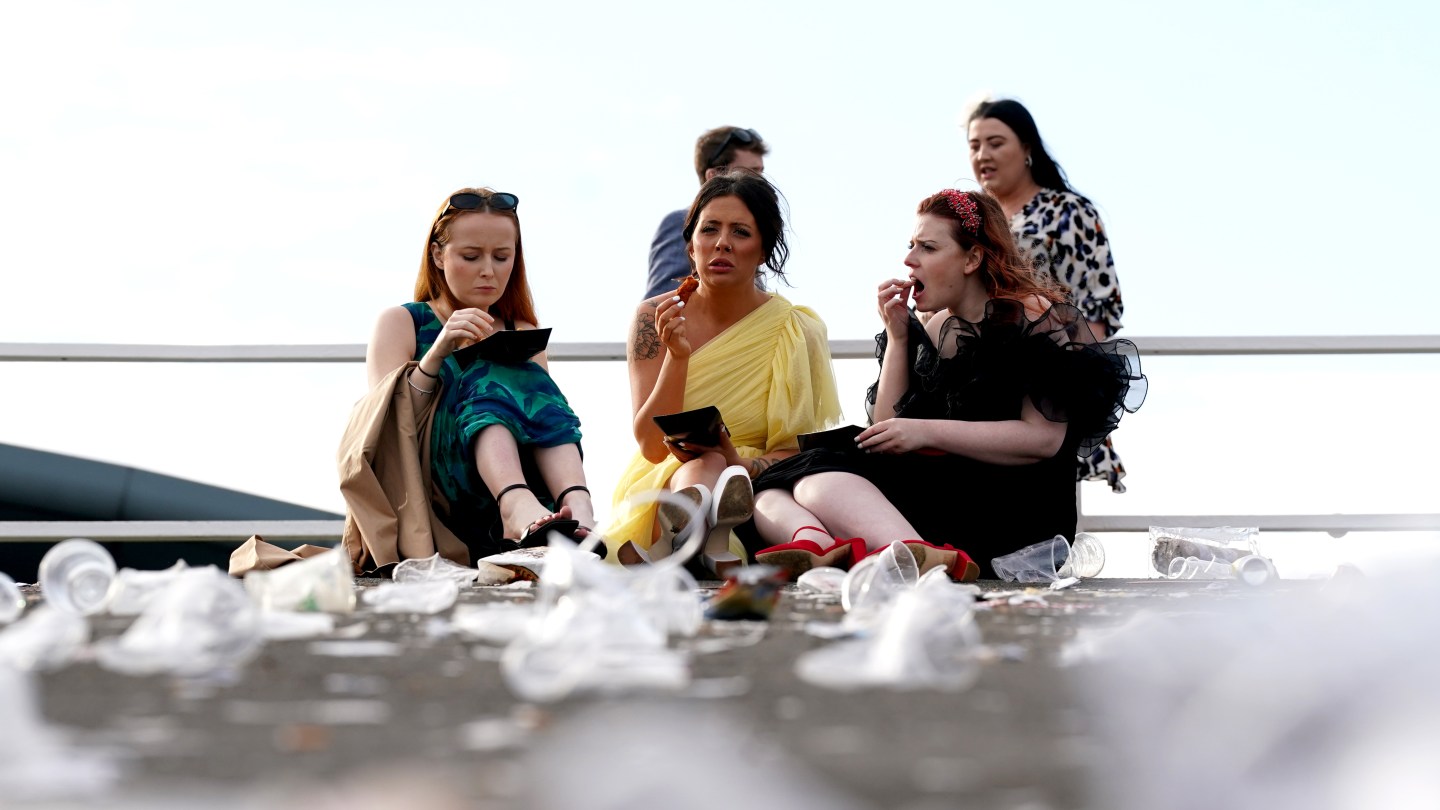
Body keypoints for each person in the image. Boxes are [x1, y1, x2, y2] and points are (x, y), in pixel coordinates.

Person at [750, 189, 1145, 580]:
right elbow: (885, 430)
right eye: (910, 246)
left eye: (927, 248)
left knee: (819, 481)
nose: (909, 260)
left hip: (1010, 511)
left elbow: (1043, 440)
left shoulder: (1033, 318)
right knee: (775, 491)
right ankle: (831, 552)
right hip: (945, 496)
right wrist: (899, 337)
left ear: (972, 258)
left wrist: (925, 432)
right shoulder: (933, 325)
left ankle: (912, 560)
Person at [608, 171, 842, 575]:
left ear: (764, 249)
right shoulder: (653, 318)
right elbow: (650, 445)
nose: (722, 243)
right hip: (666, 473)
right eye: (710, 229)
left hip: (752, 484)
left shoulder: (795, 329)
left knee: (718, 466)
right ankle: (687, 528)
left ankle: (682, 541)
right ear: (691, 245)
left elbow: (791, 452)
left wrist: (739, 462)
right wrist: (677, 357)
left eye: (740, 232)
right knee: (701, 466)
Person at [364, 187, 597, 563]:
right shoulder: (402, 322)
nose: (489, 271)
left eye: (502, 257)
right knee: (489, 368)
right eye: (471, 256)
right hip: (433, 482)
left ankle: (577, 503)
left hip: (517, 481)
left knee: (520, 371)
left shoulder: (520, 327)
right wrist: (437, 354)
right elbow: (388, 429)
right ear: (438, 255)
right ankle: (515, 502)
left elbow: (545, 421)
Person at [967, 98, 1132, 492]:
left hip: (1046, 385)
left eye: (995, 142)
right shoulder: (973, 222)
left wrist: (1067, 376)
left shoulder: (1067, 212)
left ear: (1027, 148)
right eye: (974, 145)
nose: (983, 155)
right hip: (977, 388)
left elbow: (1100, 305)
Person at [644, 126, 768, 300]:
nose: (762, 183)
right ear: (714, 176)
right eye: (752, 173)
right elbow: (661, 302)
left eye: (761, 173)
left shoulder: (755, 228)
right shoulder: (682, 222)